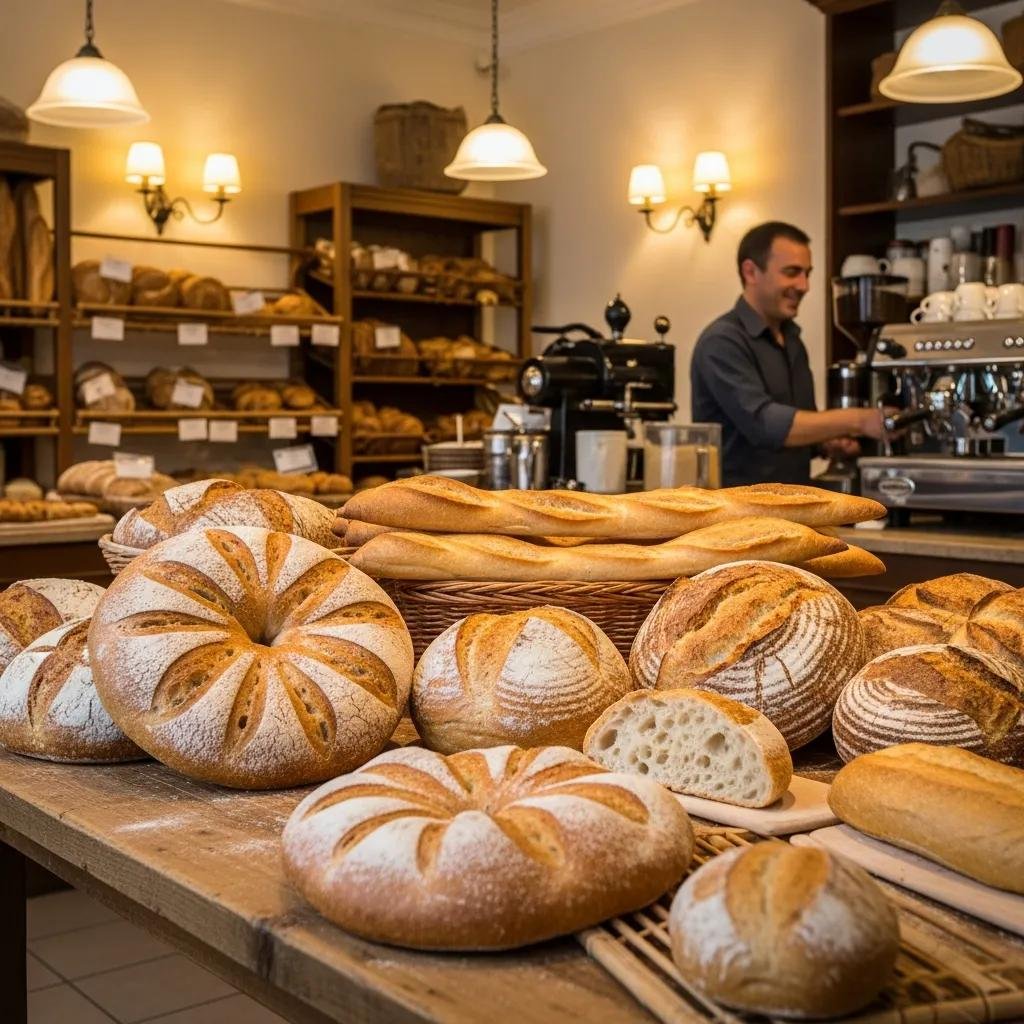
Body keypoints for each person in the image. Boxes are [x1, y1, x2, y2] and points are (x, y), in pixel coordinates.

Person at [690, 221, 884, 487]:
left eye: (807, 273)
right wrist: (860, 420)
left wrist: (826, 444)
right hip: (736, 515)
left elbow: (797, 429)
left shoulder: (793, 341)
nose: (804, 285)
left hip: (792, 507)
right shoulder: (722, 341)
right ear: (751, 272)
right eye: (792, 272)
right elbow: (765, 425)